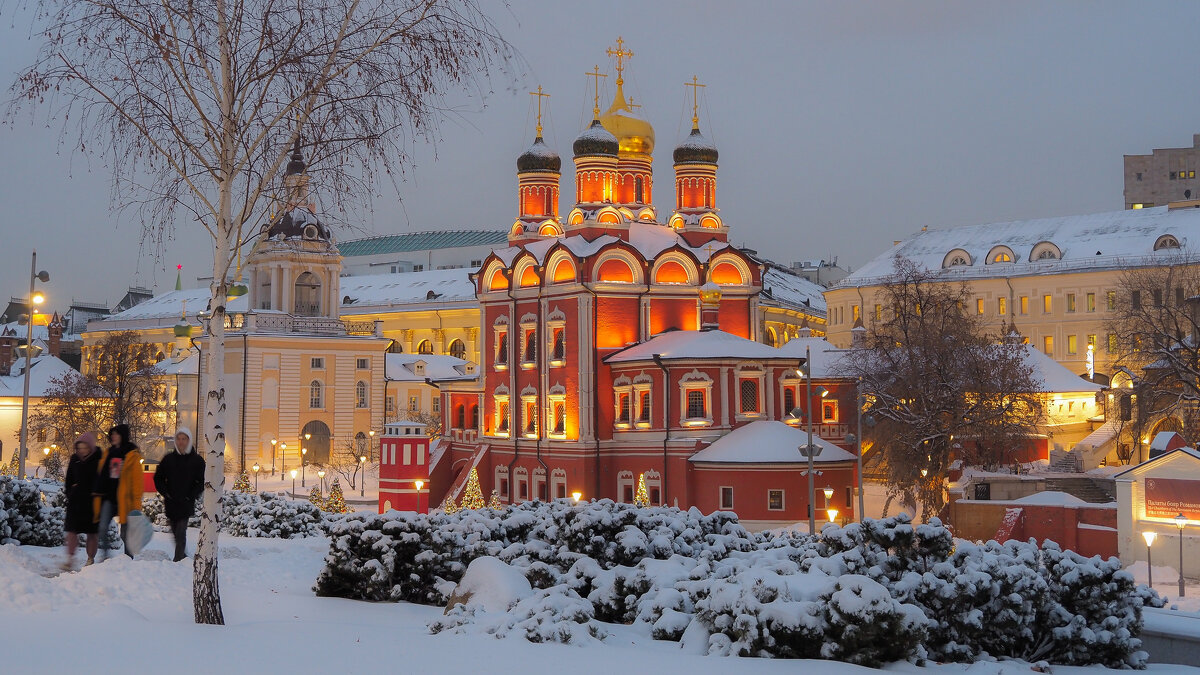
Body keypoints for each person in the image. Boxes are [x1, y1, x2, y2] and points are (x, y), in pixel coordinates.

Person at [154, 427, 205, 562]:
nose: (181, 442)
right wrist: (165, 492)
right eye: (179, 439)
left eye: (184, 439)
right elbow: (158, 477)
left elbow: (201, 482)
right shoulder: (168, 459)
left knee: (181, 533)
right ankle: (182, 557)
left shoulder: (197, 461)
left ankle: (178, 560)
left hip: (186, 503)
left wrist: (192, 495)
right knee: (176, 533)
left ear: (189, 440)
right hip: (171, 503)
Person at [93, 423, 144, 560]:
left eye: (116, 434)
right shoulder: (108, 453)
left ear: (123, 436)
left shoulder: (132, 453)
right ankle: (105, 556)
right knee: (103, 527)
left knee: (125, 533)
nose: (113, 437)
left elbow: (137, 479)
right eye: (112, 434)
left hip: (125, 498)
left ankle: (128, 558)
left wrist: (137, 500)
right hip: (108, 497)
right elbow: (102, 474)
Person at [63, 432, 101, 570]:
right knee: (72, 532)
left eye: (84, 447)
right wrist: (70, 492)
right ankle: (70, 559)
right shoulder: (74, 459)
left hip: (91, 502)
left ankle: (90, 558)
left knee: (91, 532)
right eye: (79, 448)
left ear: (90, 447)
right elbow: (69, 479)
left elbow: (101, 479)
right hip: (76, 502)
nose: (82, 450)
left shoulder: (98, 459)